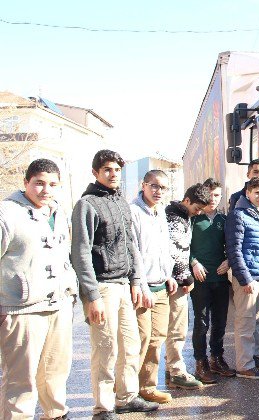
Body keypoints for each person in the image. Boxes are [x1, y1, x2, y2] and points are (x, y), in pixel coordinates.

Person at [71, 149, 158, 418]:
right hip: (102, 286)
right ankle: (103, 406)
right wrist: (91, 295)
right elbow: (81, 252)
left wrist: (135, 280)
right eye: (107, 169)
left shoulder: (120, 202)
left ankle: (126, 397)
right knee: (106, 348)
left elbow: (130, 245)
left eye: (117, 170)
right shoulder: (87, 204)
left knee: (130, 345)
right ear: (95, 172)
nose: (113, 174)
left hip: (123, 285)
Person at [0, 159, 77, 419]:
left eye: (52, 184)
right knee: (21, 381)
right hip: (22, 310)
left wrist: (71, 289)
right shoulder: (6, 213)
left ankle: (55, 414)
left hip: (58, 305)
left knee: (55, 372)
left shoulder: (58, 211)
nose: (46, 190)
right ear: (26, 183)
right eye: (39, 184)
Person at [130, 170, 178, 404]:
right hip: (143, 288)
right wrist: (140, 284)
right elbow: (134, 252)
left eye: (163, 188)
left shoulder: (160, 212)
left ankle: (147, 387)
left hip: (161, 285)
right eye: (154, 186)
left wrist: (169, 275)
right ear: (144, 185)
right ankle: (127, 392)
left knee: (157, 338)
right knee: (140, 338)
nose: (158, 191)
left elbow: (164, 248)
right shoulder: (133, 212)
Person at [226, 177, 259, 379]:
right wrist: (245, 278)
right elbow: (234, 250)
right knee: (246, 323)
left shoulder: (258, 215)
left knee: (257, 322)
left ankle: (254, 357)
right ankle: (244, 365)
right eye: (256, 193)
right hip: (248, 278)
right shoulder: (238, 215)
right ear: (247, 193)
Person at [164, 184, 211, 391]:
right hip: (174, 282)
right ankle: (175, 372)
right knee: (176, 329)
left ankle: (171, 369)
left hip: (173, 281)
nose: (199, 213)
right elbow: (175, 251)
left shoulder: (182, 216)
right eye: (197, 208)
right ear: (186, 201)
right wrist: (187, 279)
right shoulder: (175, 219)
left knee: (173, 329)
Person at [189, 178, 235, 384]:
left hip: (221, 278)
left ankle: (217, 358)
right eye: (210, 194)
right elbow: (181, 247)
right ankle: (201, 362)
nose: (213, 199)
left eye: (217, 195)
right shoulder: (193, 219)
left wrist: (229, 261)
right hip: (200, 280)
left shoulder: (224, 221)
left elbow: (234, 246)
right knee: (201, 323)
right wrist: (193, 262)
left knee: (220, 321)